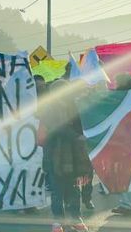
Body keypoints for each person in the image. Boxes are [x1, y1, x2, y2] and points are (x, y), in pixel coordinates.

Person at [38, 77, 91, 232]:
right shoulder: (49, 110)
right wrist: (77, 136)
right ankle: (57, 221)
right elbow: (58, 128)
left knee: (75, 189)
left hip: (74, 156)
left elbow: (81, 126)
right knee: (57, 191)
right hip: (55, 156)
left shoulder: (74, 107)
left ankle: (75, 218)